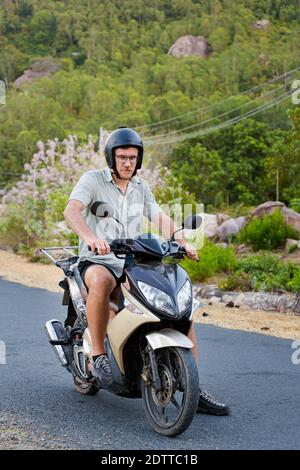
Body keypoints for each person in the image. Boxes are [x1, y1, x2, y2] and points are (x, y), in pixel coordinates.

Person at [64, 127, 229, 416]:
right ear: (111, 157)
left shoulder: (141, 187)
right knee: (102, 283)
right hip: (99, 259)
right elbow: (72, 211)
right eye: (122, 157)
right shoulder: (92, 180)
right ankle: (100, 356)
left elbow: (158, 217)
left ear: (139, 159)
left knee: (176, 309)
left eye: (132, 157)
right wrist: (91, 237)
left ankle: (193, 384)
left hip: (133, 260)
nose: (127, 162)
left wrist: (181, 239)